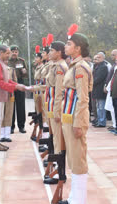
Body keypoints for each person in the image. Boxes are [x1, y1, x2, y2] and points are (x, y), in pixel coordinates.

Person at [59, 24, 93, 204]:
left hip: (74, 119)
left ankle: (79, 200)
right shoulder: (74, 66)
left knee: (78, 160)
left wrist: (79, 123)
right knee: (72, 159)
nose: (66, 47)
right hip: (68, 117)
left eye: (69, 44)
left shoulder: (80, 68)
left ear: (78, 48)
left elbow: (82, 98)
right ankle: (74, 198)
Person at [0, 45, 26, 151]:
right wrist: (16, 86)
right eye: (7, 53)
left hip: (1, 95)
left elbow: (7, 80)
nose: (9, 55)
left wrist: (16, 85)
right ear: (1, 53)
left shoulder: (1, 63)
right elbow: (0, 82)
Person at [43, 41, 68, 184]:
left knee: (59, 141)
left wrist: (57, 111)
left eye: (52, 50)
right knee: (55, 139)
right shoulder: (54, 65)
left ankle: (60, 174)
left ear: (59, 52)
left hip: (56, 107)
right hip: (51, 106)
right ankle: (58, 169)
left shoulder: (60, 67)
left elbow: (59, 91)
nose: (49, 53)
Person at [8, 45, 27, 134]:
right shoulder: (6, 61)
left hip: (19, 82)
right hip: (10, 84)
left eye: (16, 52)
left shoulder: (22, 61)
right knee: (11, 105)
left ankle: (21, 126)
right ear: (10, 52)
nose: (14, 53)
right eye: (13, 52)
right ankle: (11, 126)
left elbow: (25, 75)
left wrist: (24, 72)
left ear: (18, 52)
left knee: (21, 106)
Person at [0, 62, 17, 143]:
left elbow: (15, 81)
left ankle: (7, 134)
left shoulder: (12, 70)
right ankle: (1, 135)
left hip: (10, 94)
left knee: (9, 113)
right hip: (1, 93)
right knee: (1, 113)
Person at [92, 52, 108, 127]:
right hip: (96, 89)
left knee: (101, 107)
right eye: (97, 57)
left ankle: (102, 122)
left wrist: (91, 82)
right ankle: (99, 120)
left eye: (99, 57)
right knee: (98, 106)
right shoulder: (97, 66)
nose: (97, 59)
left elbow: (99, 78)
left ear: (103, 58)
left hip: (100, 89)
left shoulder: (103, 66)